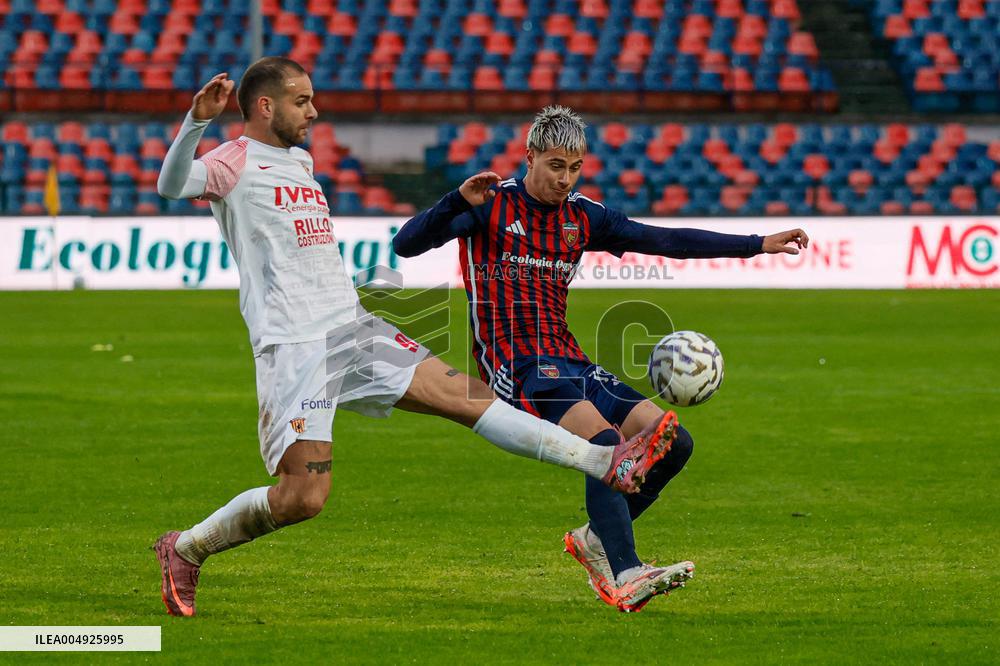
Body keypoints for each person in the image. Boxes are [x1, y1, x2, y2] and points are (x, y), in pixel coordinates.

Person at [153, 61, 675, 617]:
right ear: (265, 106)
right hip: (296, 347)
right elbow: (172, 184)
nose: (314, 110)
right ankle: (185, 548)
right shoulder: (232, 162)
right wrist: (194, 122)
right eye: (302, 100)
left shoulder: (300, 162)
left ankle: (602, 461)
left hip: (352, 327)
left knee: (470, 397)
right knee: (302, 499)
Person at [393, 105, 810, 612]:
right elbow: (406, 243)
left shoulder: (582, 217)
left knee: (673, 442)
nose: (564, 179)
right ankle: (625, 572)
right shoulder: (490, 206)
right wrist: (454, 200)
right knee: (609, 444)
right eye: (554, 166)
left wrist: (758, 243)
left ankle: (596, 540)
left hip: (569, 359)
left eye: (574, 168)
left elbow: (665, 240)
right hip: (514, 363)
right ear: (530, 158)